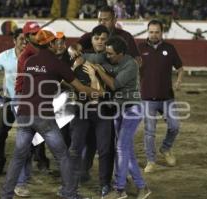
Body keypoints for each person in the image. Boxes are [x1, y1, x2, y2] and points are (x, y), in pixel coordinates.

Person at [0, 29, 103, 199]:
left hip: (24, 114)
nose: (58, 44)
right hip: (43, 117)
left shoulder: (29, 61)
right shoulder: (56, 63)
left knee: (18, 156)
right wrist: (101, 93)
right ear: (50, 44)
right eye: (55, 41)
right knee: (62, 156)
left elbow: (39, 82)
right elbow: (81, 89)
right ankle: (70, 194)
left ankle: (6, 195)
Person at [83, 36, 151, 199]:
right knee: (126, 149)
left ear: (121, 54)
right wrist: (75, 51)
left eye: (111, 54)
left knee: (121, 147)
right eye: (106, 52)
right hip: (118, 109)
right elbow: (85, 56)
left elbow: (114, 85)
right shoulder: (106, 56)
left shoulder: (131, 64)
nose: (107, 56)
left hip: (132, 108)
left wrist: (98, 70)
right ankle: (142, 187)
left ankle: (119, 189)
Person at [68, 24, 114, 198]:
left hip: (103, 110)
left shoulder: (113, 58)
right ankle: (71, 183)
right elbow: (70, 51)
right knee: (75, 147)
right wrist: (74, 57)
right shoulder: (82, 56)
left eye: (103, 39)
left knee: (104, 149)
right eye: (97, 38)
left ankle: (104, 184)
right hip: (82, 109)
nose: (100, 42)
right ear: (92, 39)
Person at [0, 28, 31, 197]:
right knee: (0, 133)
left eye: (26, 39)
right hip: (9, 100)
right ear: (14, 40)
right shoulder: (4, 56)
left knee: (28, 137)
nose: (24, 41)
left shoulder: (33, 56)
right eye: (21, 39)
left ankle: (41, 162)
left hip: (27, 103)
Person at [137, 19, 184, 173]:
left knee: (175, 126)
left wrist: (178, 81)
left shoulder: (169, 48)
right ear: (147, 32)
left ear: (161, 32)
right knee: (149, 132)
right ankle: (151, 160)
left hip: (167, 97)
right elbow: (131, 68)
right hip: (147, 98)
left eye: (157, 32)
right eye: (151, 32)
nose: (154, 34)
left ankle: (165, 148)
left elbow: (180, 68)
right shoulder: (140, 48)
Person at [15, 21, 51, 172]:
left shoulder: (38, 51)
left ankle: (40, 161)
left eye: (38, 32)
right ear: (27, 36)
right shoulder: (27, 55)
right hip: (26, 97)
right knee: (27, 140)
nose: (37, 35)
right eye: (33, 33)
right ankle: (21, 180)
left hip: (34, 96)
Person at [68, 5, 141, 65]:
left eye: (106, 20)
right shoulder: (92, 35)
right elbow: (74, 47)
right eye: (100, 20)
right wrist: (72, 51)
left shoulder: (125, 36)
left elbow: (137, 60)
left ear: (114, 21)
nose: (102, 22)